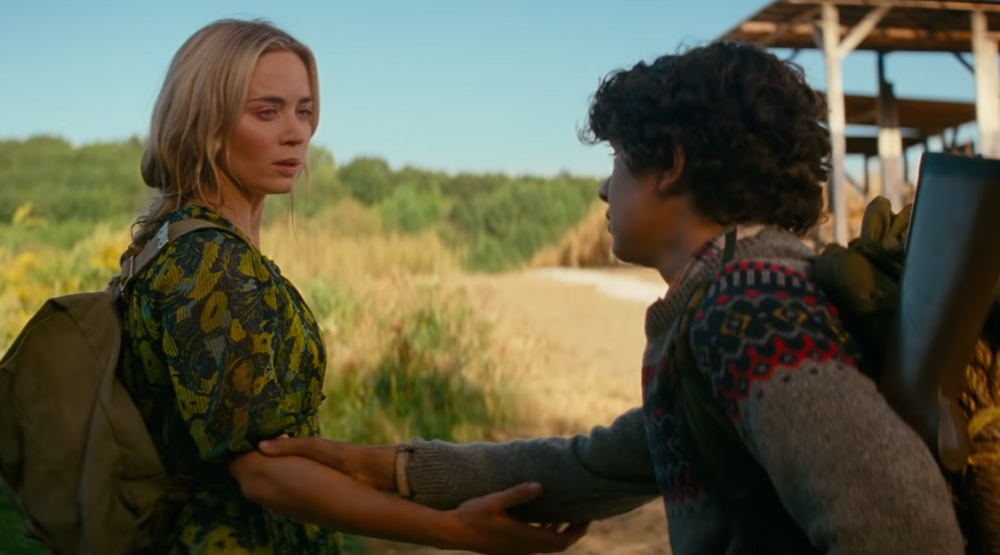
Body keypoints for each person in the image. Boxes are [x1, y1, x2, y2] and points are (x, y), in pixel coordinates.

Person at [259, 41, 968, 554]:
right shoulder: (724, 304)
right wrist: (384, 465)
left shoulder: (751, 307)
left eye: (619, 161)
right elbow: (590, 467)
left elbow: (903, 528)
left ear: (672, 166)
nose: (604, 188)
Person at [117, 18, 588, 555]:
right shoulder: (210, 261)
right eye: (267, 111)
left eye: (304, 111)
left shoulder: (179, 241)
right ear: (204, 122)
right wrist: (454, 530)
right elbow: (263, 473)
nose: (296, 133)